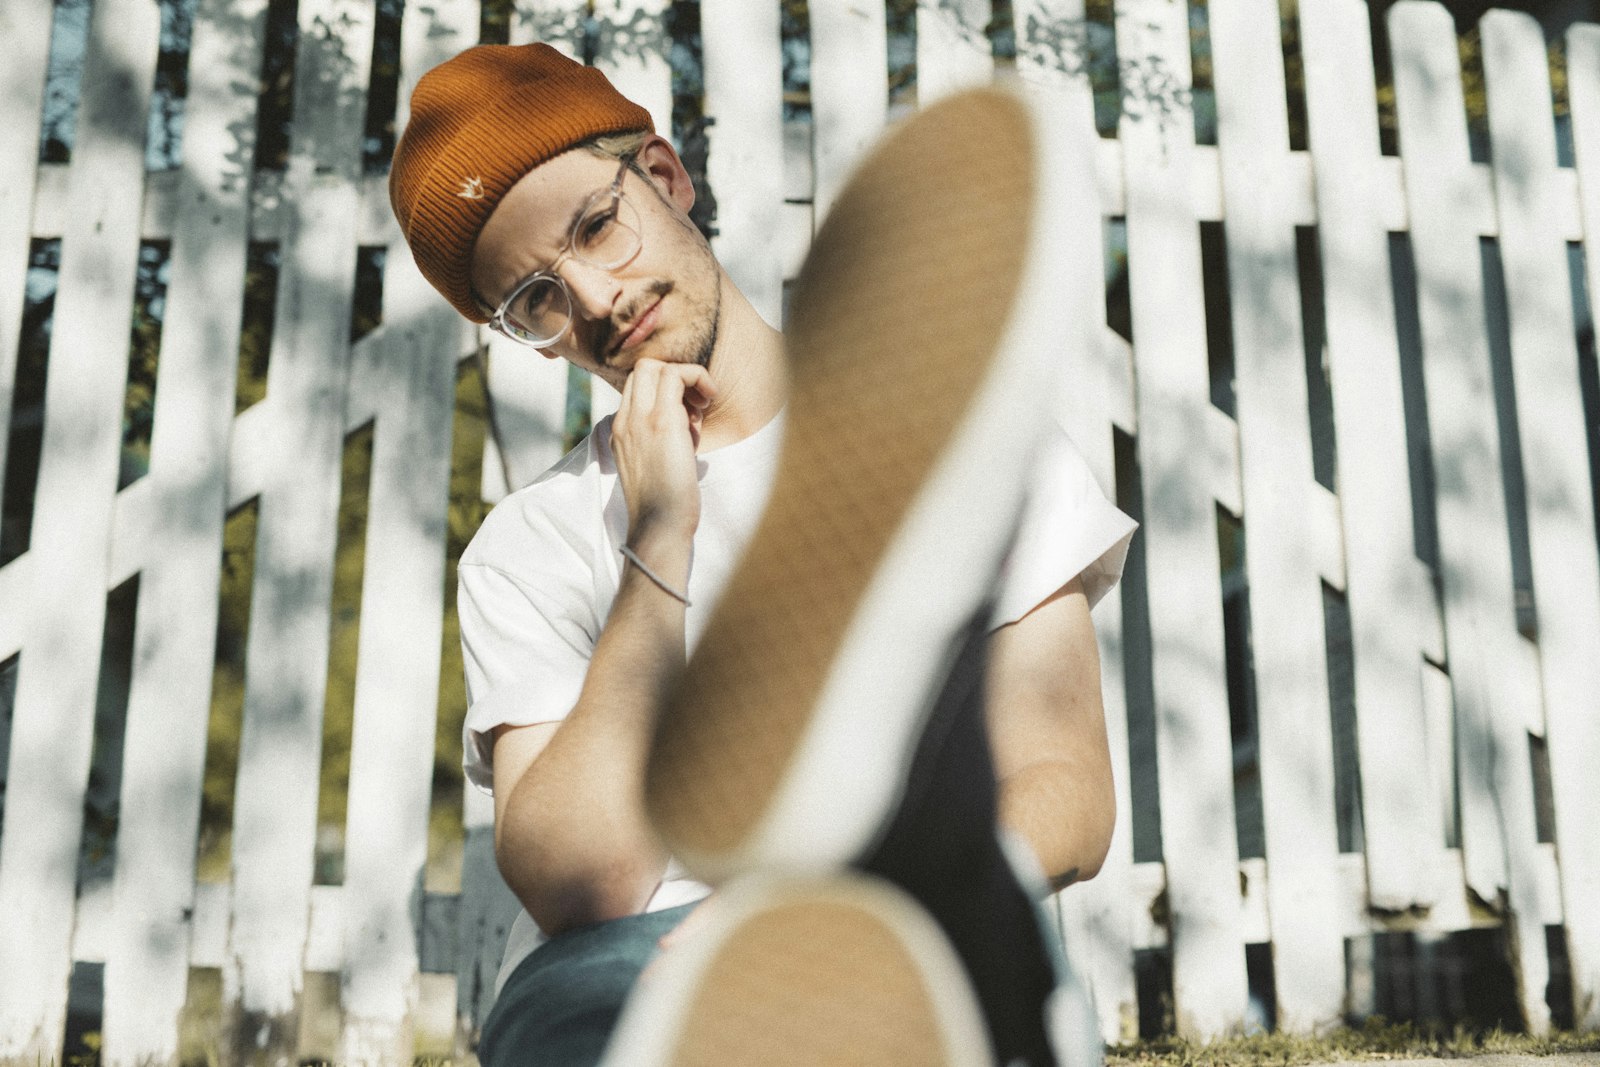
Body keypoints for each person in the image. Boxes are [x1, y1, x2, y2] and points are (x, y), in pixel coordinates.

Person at [388, 42, 1136, 1066]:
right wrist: (658, 538)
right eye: (535, 300)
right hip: (627, 958)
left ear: (664, 176)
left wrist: (824, 911)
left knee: (916, 969)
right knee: (594, 1016)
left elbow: (1071, 793)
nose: (596, 302)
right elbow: (579, 883)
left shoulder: (967, 433)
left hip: (911, 911)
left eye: (597, 228)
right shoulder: (533, 542)